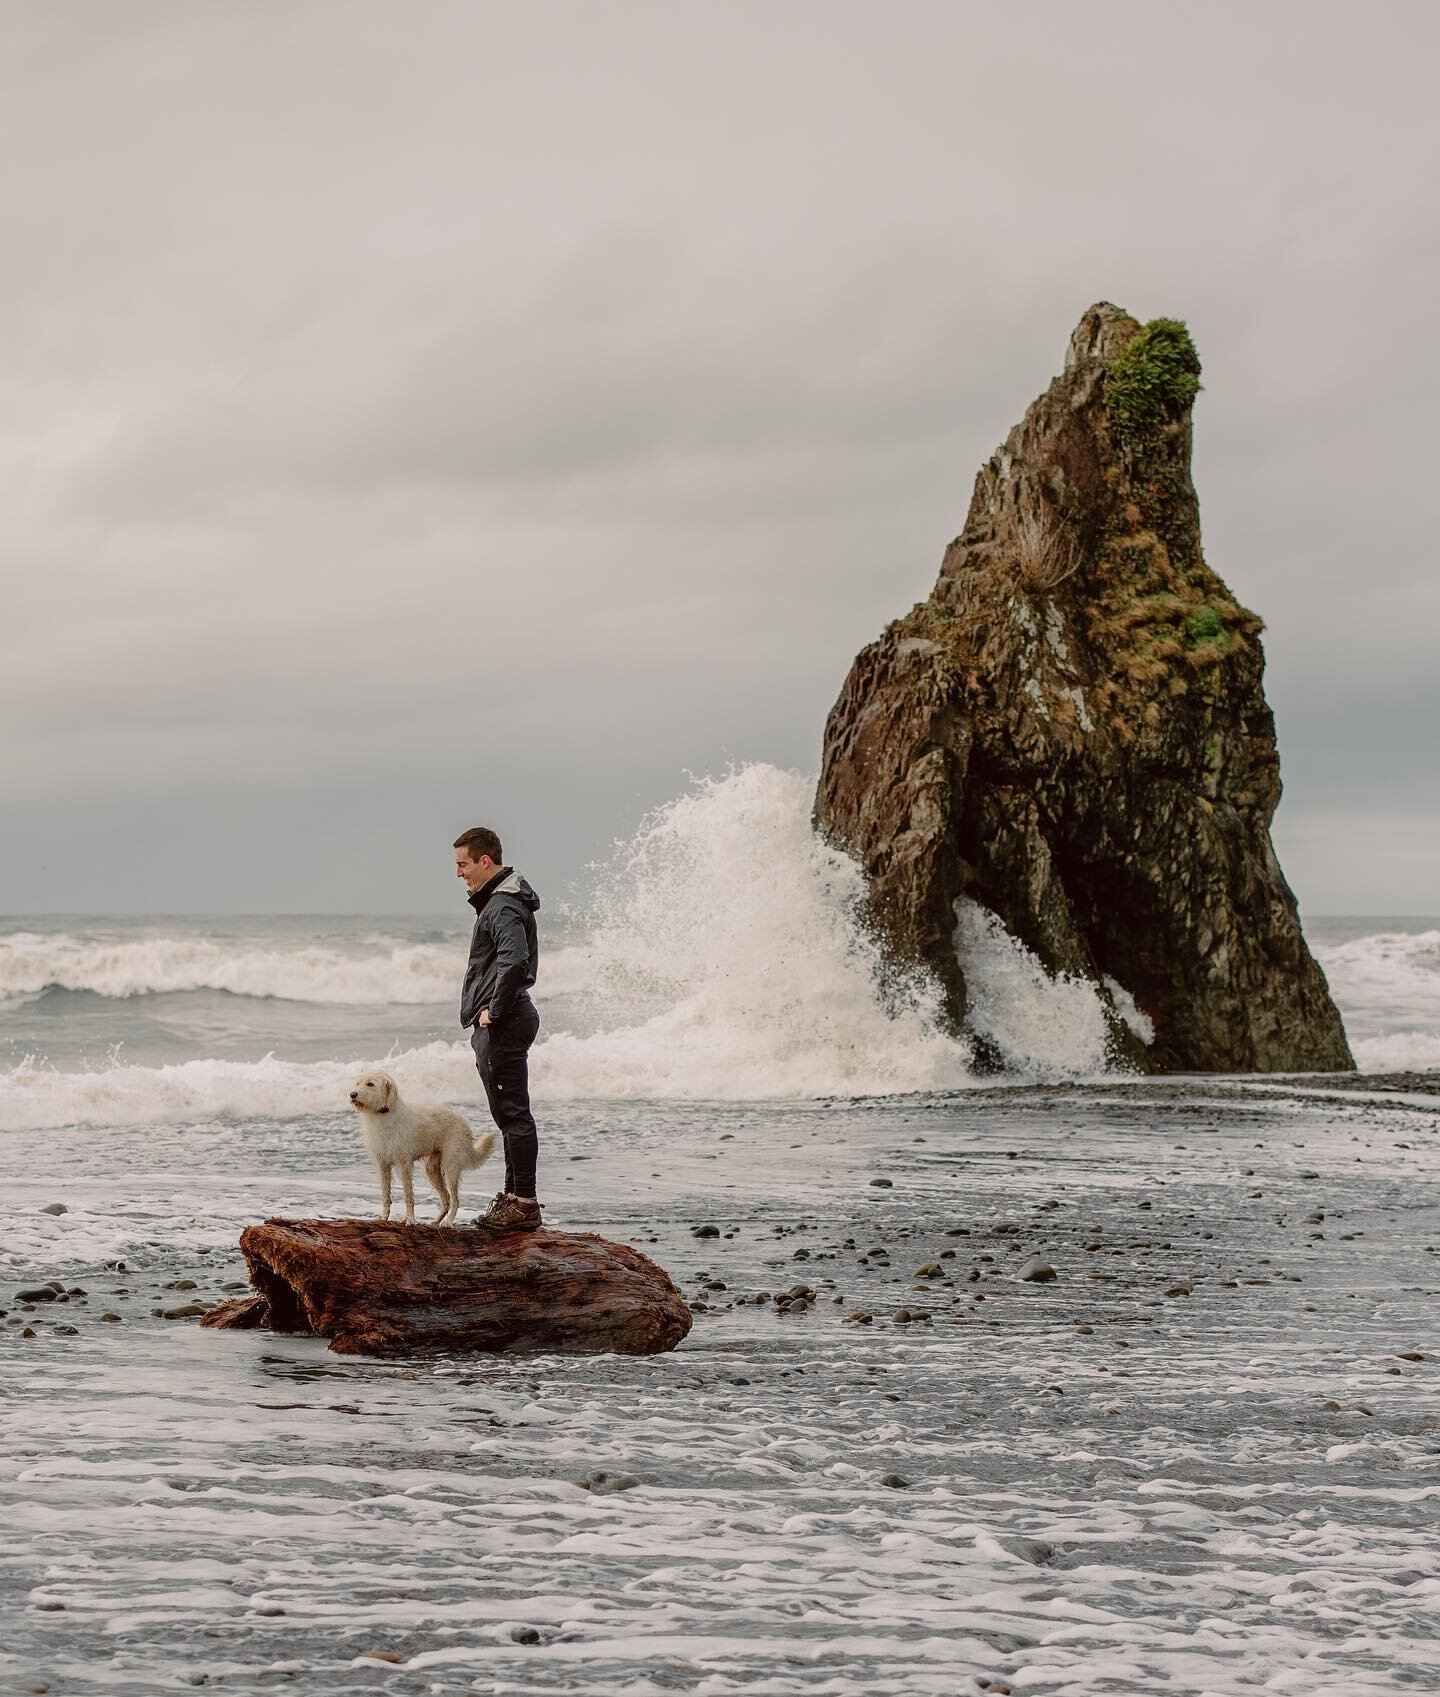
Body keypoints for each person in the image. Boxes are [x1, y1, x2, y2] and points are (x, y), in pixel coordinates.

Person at [453, 826, 543, 1233]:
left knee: (513, 1115)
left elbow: (515, 959)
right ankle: (512, 1199)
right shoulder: (500, 900)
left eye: (463, 864)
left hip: (505, 1020)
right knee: (509, 1115)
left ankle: (523, 1203)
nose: (459, 873)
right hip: (507, 1018)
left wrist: (493, 1010)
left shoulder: (502, 905)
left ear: (484, 861)